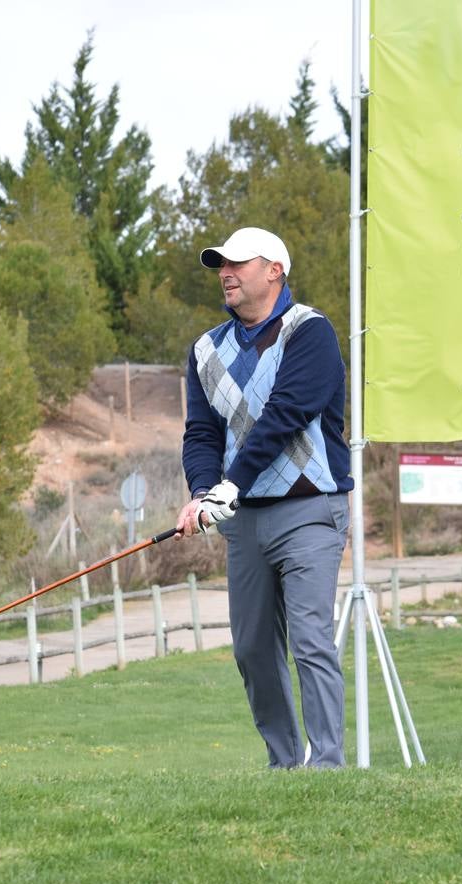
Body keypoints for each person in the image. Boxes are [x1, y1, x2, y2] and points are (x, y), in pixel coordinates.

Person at [175, 226, 353, 769]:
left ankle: (326, 767)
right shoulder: (207, 348)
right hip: (245, 520)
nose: (225, 273)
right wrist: (204, 492)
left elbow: (286, 414)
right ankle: (284, 765)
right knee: (252, 649)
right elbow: (201, 434)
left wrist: (232, 483)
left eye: (237, 263)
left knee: (309, 639)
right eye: (220, 266)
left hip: (310, 509)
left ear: (274, 269)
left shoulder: (310, 331)